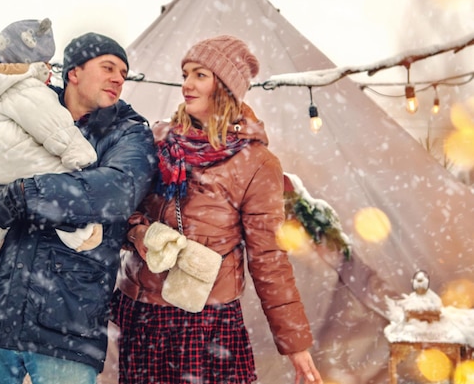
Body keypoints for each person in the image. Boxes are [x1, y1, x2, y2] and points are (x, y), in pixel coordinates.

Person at [0, 31, 157, 384]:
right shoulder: (20, 108)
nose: (119, 78)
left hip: (66, 325)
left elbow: (115, 191)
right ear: (74, 72)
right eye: (108, 67)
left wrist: (26, 194)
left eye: (123, 73)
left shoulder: (127, 134)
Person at [112, 35, 323, 384]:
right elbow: (119, 209)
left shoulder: (256, 163)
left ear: (223, 87)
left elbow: (268, 257)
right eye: (185, 74)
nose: (186, 85)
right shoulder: (157, 142)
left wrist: (295, 345)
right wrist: (138, 232)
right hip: (146, 313)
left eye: (199, 75)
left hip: (208, 322)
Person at [0, 18, 102, 274]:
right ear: (31, 62)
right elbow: (54, 126)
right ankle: (78, 232)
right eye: (44, 62)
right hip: (13, 155)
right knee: (60, 181)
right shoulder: (26, 87)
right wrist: (81, 156)